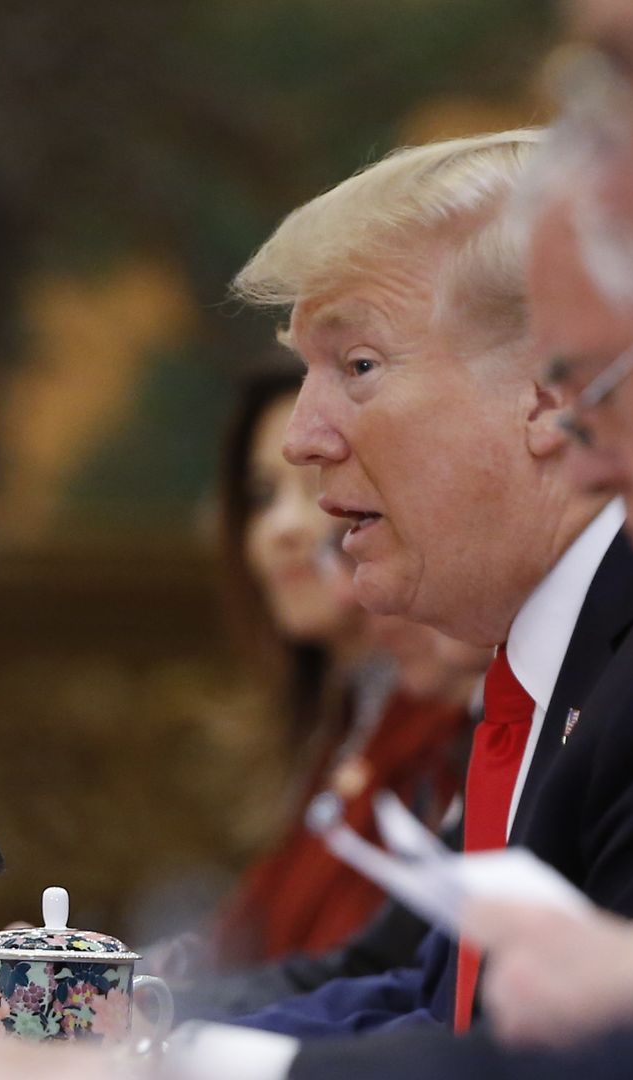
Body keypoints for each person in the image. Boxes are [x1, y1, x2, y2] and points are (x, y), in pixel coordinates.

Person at [0, 129, 633, 1080]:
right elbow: (421, 993)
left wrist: (112, 1070)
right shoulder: (551, 657)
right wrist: (51, 1024)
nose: (302, 439)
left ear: (548, 389)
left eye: (357, 366)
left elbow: (604, 1066)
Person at [202, 370, 477, 970]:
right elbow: (243, 949)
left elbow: (374, 975)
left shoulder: (447, 712)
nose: (283, 529)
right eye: (262, 496)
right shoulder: (349, 715)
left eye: (314, 491)